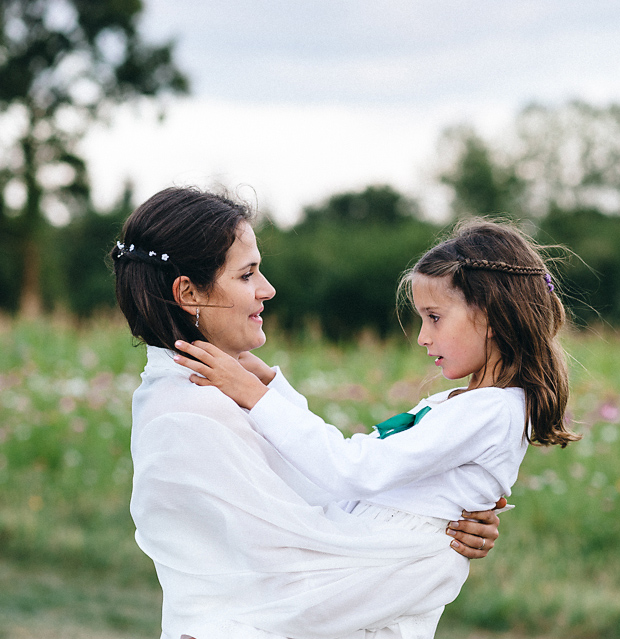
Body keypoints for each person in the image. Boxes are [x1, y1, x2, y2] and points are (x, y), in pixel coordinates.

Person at [112, 187, 503, 639]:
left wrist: (445, 503)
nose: (267, 289)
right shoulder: (188, 413)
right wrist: (435, 543)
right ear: (188, 292)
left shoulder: (223, 390)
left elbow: (322, 491)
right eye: (247, 275)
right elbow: (297, 578)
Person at [174, 219, 581, 636]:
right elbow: (363, 454)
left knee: (254, 618)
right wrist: (271, 386)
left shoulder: (491, 411)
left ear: (492, 316)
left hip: (391, 558)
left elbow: (354, 468)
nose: (422, 337)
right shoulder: (463, 403)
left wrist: (255, 395)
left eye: (434, 318)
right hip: (379, 547)